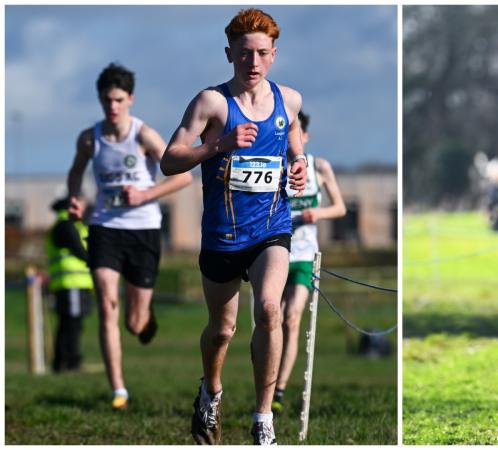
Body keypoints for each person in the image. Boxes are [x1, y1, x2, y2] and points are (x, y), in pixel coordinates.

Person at [160, 8, 307, 445]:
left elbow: (294, 132)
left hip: (271, 229)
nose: (253, 63)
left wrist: (297, 163)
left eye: (262, 54)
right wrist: (219, 144)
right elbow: (169, 160)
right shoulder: (211, 102)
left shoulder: (290, 99)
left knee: (268, 309)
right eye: (245, 54)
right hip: (223, 235)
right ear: (230, 54)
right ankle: (211, 392)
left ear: (274, 55)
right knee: (222, 329)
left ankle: (263, 419)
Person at [66, 63, 192, 410]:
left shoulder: (144, 136)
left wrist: (145, 194)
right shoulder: (90, 138)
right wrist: (75, 201)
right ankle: (118, 390)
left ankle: (144, 318)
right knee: (107, 304)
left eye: (119, 100)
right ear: (100, 100)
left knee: (134, 323)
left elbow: (183, 177)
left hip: (144, 230)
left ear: (130, 99)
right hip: (105, 227)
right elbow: (75, 172)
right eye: (107, 100)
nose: (113, 106)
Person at [272, 110, 346, 413]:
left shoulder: (319, 167)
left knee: (292, 318)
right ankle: (265, 380)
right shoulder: (275, 168)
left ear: (305, 136)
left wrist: (318, 214)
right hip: (273, 254)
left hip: (304, 256)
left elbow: (340, 208)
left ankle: (279, 390)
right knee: (270, 320)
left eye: (297, 133)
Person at [47, 197, 94, 373]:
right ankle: (69, 362)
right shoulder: (65, 226)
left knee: (72, 323)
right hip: (70, 282)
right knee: (70, 324)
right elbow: (80, 251)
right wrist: (98, 263)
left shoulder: (68, 224)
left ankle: (63, 362)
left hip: (73, 283)